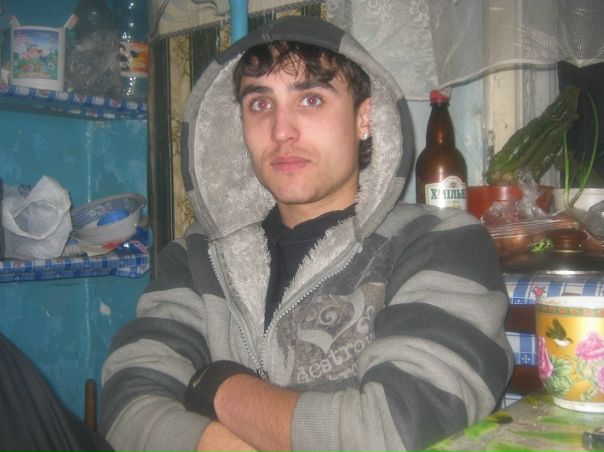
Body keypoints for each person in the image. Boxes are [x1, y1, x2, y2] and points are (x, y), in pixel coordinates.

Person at [100, 15, 513, 452]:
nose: (281, 131)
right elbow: (127, 409)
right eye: (260, 104)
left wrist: (216, 385)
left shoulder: (442, 244)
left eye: (311, 99)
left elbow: (397, 430)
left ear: (364, 118)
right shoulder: (194, 257)